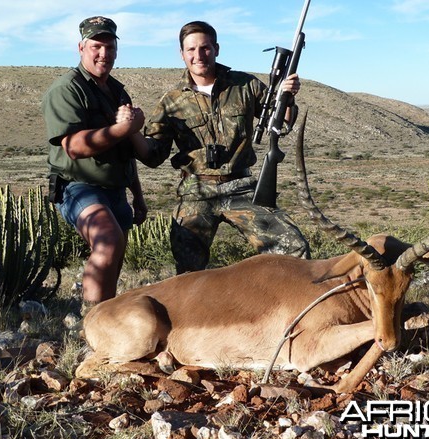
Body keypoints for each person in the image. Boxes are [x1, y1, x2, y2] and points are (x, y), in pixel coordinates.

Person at [132, 20, 310, 274]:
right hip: (196, 190)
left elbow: (279, 124)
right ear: (181, 54)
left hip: (242, 188)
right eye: (191, 50)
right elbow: (153, 154)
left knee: (295, 249)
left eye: (204, 48)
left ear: (216, 48)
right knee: (188, 270)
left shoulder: (245, 85)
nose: (198, 55)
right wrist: (129, 132)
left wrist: (287, 98)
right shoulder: (171, 101)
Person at [41, 16, 148, 314]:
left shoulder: (117, 91)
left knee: (114, 256)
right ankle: (91, 323)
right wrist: (123, 129)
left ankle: (107, 322)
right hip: (79, 187)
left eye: (109, 47)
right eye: (96, 46)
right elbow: (74, 147)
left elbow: (126, 150)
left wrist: (138, 196)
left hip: (116, 188)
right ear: (81, 47)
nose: (104, 53)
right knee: (108, 241)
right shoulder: (66, 89)